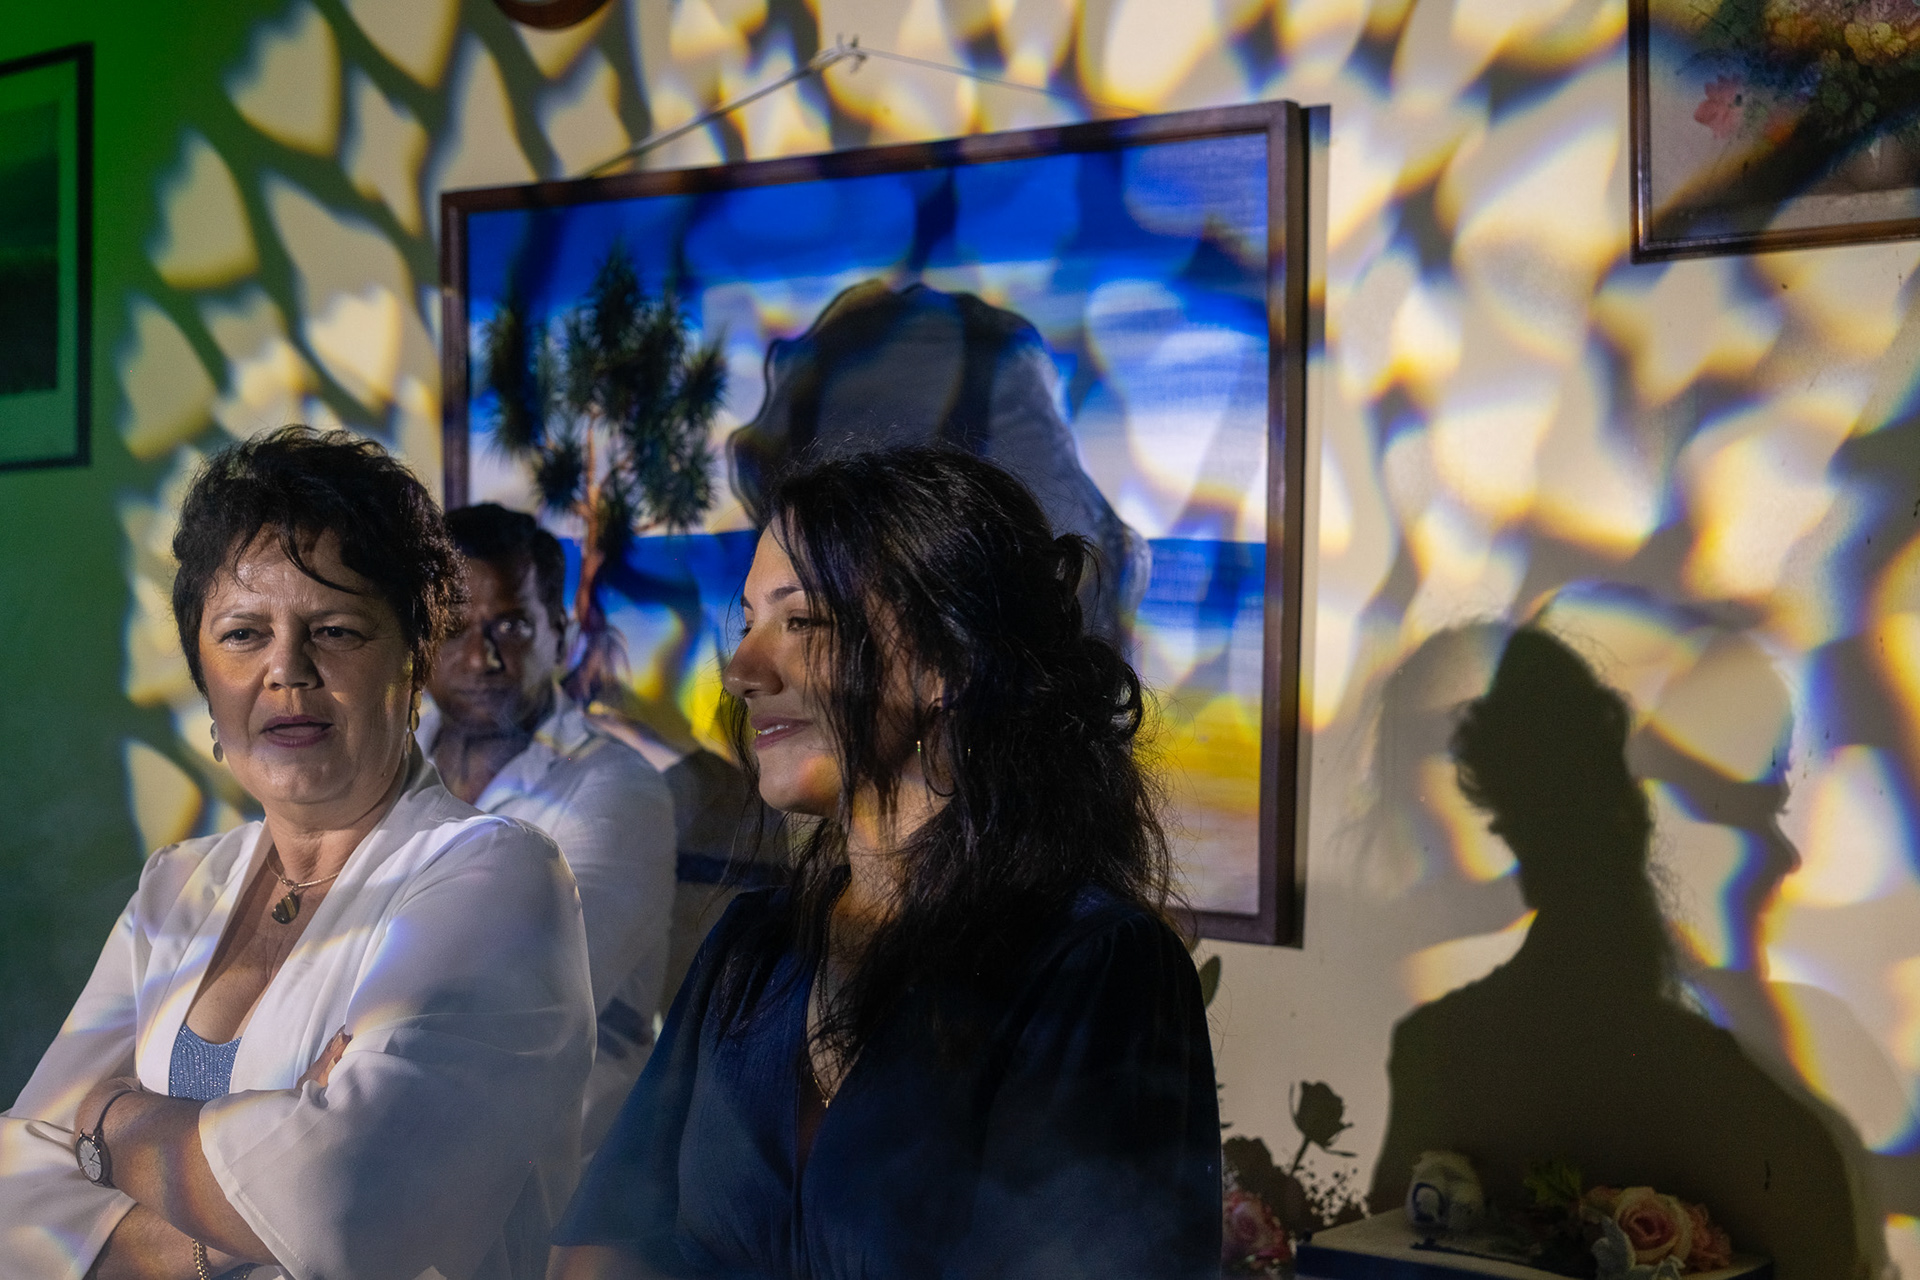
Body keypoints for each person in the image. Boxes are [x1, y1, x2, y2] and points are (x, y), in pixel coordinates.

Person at [549, 447, 1221, 1279]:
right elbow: (601, 1246)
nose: (742, 670)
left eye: (802, 622)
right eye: (748, 623)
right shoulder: (751, 953)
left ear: (948, 661)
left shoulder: (1091, 968)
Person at [0, 427, 596, 1279]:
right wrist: (239, 1213)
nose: (287, 670)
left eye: (337, 630)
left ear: (414, 662)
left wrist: (108, 1122)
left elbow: (340, 1201)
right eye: (244, 633)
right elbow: (16, 1191)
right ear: (204, 677)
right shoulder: (179, 885)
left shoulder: (497, 876)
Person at [1369, 627, 1881, 1280]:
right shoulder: (1437, 1052)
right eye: (1742, 803)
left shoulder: (1437, 1050)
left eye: (1764, 802)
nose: (1786, 856)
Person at [422, 502, 676, 1156]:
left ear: (559, 637)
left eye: (510, 626)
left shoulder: (616, 791)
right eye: (452, 627)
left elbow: (524, 1012)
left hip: (561, 1165)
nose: (480, 658)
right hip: (399, 1132)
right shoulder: (386, 770)